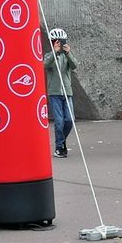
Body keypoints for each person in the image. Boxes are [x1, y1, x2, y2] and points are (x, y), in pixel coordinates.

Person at [45, 28, 77, 158]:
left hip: (67, 92)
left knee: (69, 119)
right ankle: (59, 147)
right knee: (59, 121)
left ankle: (61, 141)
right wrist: (55, 52)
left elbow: (74, 65)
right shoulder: (49, 55)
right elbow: (45, 64)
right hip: (54, 93)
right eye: (56, 41)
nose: (59, 43)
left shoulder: (66, 56)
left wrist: (68, 53)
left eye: (61, 41)